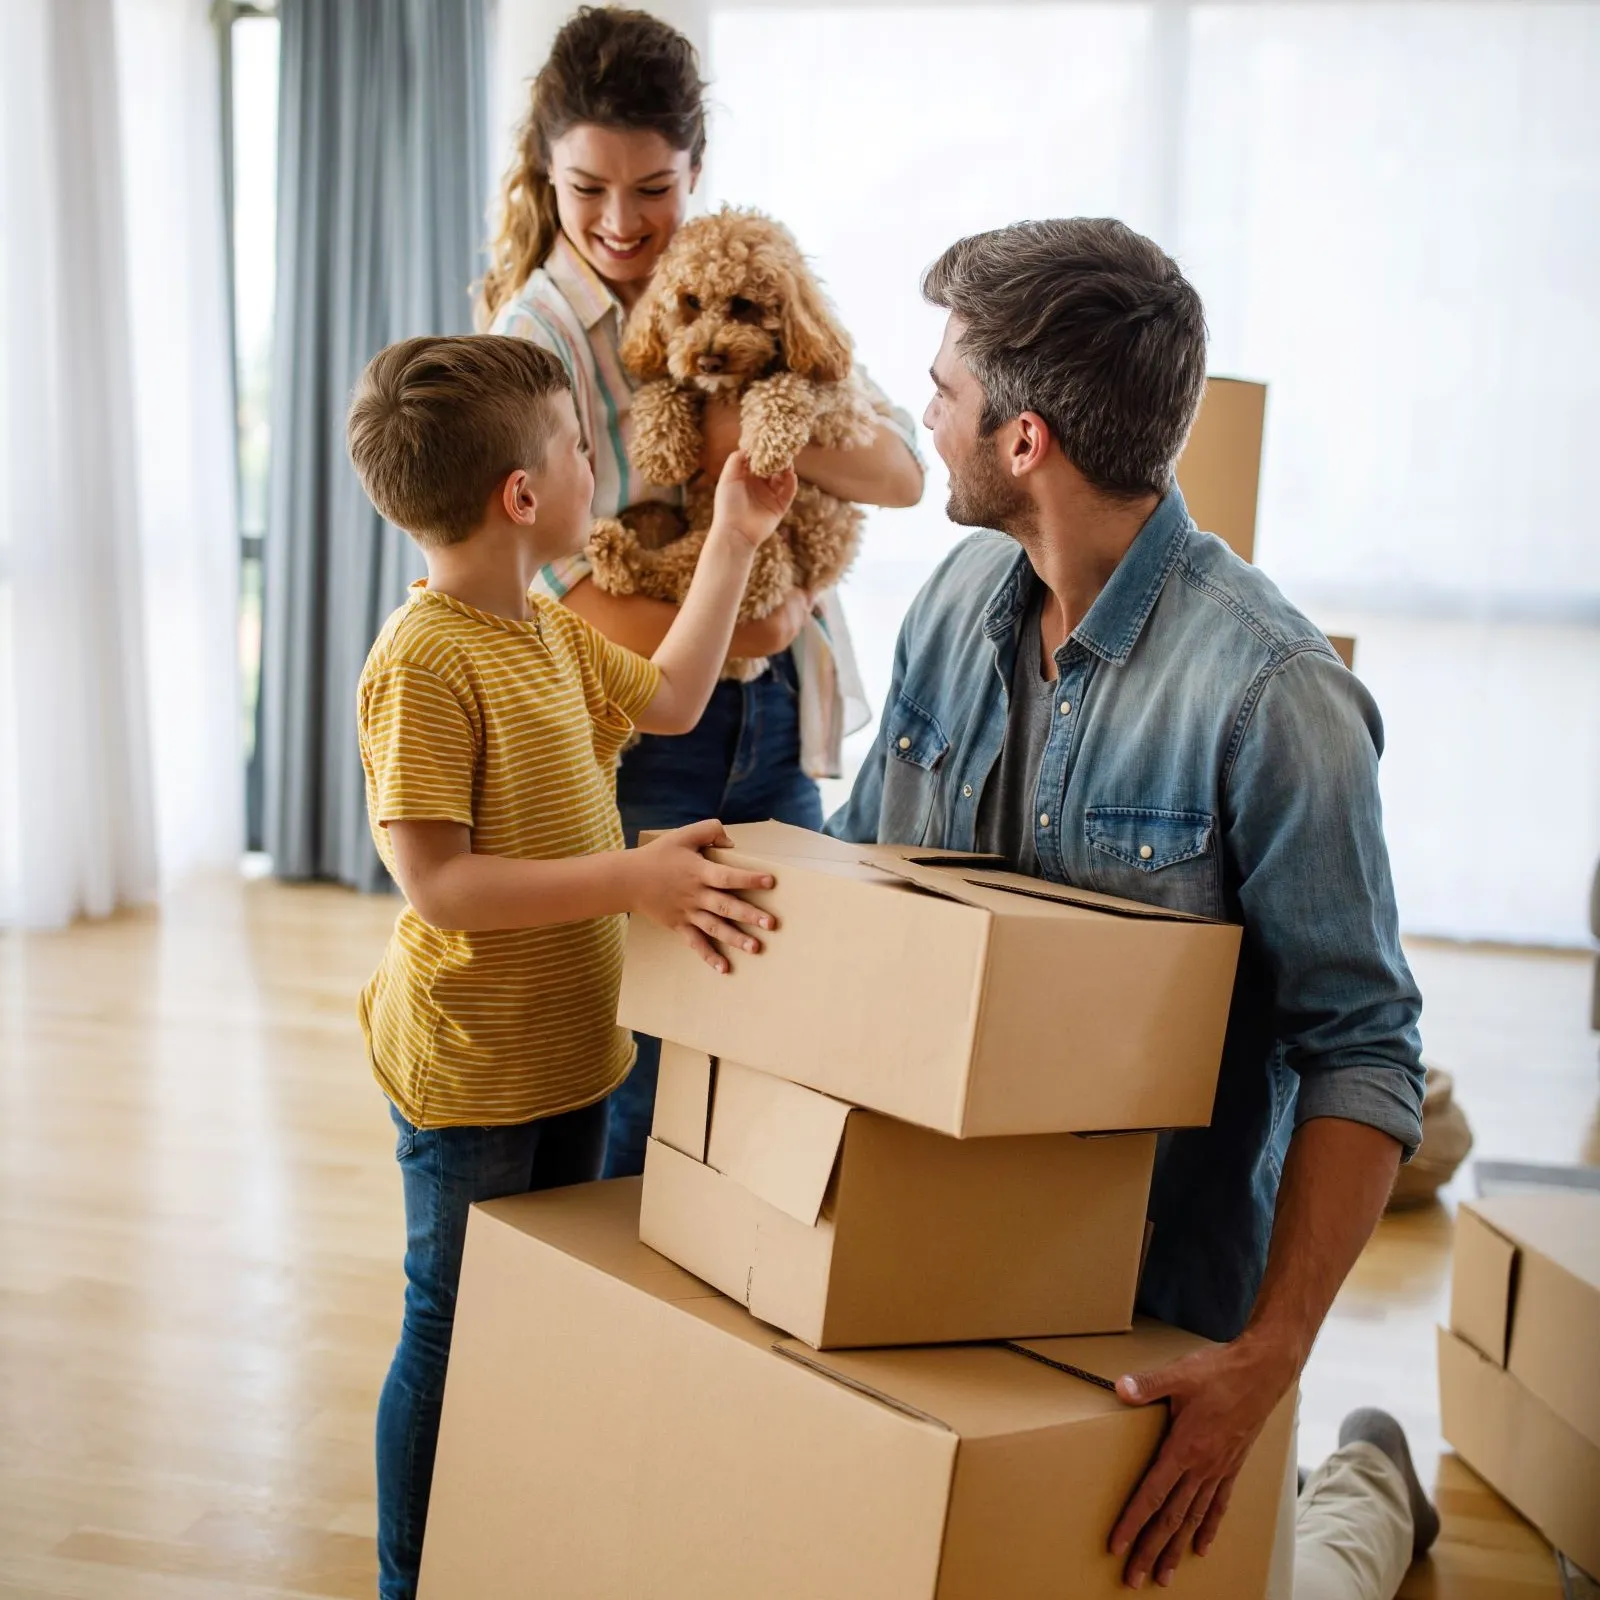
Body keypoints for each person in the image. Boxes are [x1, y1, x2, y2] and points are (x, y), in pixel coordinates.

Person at [826, 218, 1438, 1599]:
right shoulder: (959, 593)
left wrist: (1265, 1364)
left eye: (943, 388)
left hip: (1156, 1297)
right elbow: (869, 873)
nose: (922, 411)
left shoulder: (1274, 701)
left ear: (1026, 440)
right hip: (937, 1246)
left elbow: (1366, 1048)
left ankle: (1365, 1494)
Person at [347, 332, 798, 1600]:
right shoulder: (422, 662)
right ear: (523, 496)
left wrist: (734, 537)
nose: (601, 460)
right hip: (474, 1065)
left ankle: (515, 1538)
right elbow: (438, 882)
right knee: (451, 1317)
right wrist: (635, 878)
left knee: (536, 1310)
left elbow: (669, 699)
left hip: (571, 1046)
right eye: (581, 444)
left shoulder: (542, 628)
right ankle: (412, 1576)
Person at [479, 5, 925, 1179]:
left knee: (782, 1031)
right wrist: (757, 613)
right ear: (546, 174)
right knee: (654, 1065)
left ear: (696, 172)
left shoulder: (745, 271)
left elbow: (901, 467)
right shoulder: (536, 343)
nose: (621, 225)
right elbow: (566, 612)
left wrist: (742, 416)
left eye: (652, 188)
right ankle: (639, 1329)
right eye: (587, 191)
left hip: (773, 728)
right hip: (647, 743)